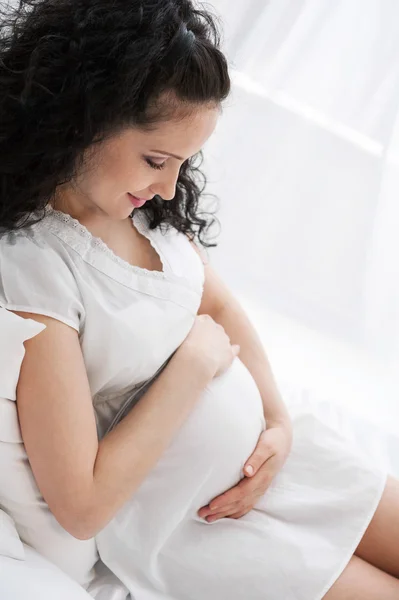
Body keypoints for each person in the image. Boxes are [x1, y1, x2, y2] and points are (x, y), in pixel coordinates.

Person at [0, 1, 398, 598]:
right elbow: (80, 506)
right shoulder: (37, 268)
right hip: (202, 525)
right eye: (156, 159)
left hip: (283, 463)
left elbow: (221, 309)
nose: (167, 184)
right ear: (82, 120)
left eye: (183, 162)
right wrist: (193, 365)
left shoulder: (145, 212)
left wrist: (278, 422)